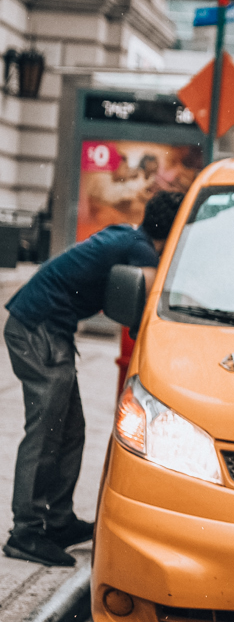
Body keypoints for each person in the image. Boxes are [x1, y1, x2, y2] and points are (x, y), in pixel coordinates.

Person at [3, 191, 185, 567]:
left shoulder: (128, 237)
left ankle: (57, 521)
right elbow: (146, 315)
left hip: (45, 327)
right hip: (38, 329)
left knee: (70, 431)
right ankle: (26, 532)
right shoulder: (143, 253)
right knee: (46, 432)